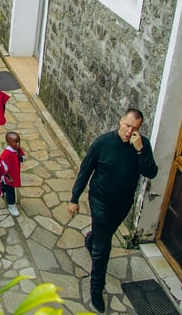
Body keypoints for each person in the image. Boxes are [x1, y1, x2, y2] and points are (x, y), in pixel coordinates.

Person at [68, 108, 158, 314]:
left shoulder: (142, 145)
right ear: (120, 121)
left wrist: (140, 150)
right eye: (127, 125)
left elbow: (150, 172)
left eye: (135, 128)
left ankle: (91, 240)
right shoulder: (102, 143)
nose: (129, 131)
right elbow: (85, 171)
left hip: (122, 204)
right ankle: (96, 289)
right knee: (103, 248)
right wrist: (74, 198)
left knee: (103, 235)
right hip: (100, 201)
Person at [0, 131, 25, 217]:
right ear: (8, 143)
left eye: (19, 141)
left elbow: (23, 158)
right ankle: (12, 206)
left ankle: (0, 190)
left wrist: (19, 155)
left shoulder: (18, 149)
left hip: (14, 173)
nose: (18, 144)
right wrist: (8, 177)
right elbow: (3, 167)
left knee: (4, 186)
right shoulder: (6, 154)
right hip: (8, 176)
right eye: (15, 142)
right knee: (10, 191)